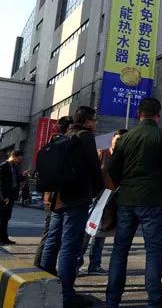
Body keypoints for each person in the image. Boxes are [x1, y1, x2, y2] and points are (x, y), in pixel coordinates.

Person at [105, 98, 162, 308]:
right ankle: (154, 299)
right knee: (153, 250)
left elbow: (113, 167)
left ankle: (112, 299)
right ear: (158, 114)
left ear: (139, 114)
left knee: (120, 249)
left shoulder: (126, 138)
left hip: (126, 198)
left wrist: (123, 184)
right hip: (152, 199)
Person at [39, 106, 104, 308]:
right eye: (94, 120)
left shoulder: (64, 136)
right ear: (87, 120)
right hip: (76, 198)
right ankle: (66, 294)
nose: (95, 123)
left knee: (52, 241)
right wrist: (96, 190)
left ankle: (44, 286)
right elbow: (94, 167)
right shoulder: (86, 136)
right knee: (70, 245)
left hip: (58, 197)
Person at [77, 128, 127, 276]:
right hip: (96, 198)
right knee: (87, 231)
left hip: (111, 200)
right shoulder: (102, 153)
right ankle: (76, 262)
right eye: (117, 139)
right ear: (112, 140)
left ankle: (95, 265)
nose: (119, 143)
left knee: (101, 232)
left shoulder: (123, 158)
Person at [34, 115, 72, 269]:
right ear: (69, 127)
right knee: (52, 234)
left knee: (50, 234)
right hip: (57, 196)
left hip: (50, 194)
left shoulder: (51, 143)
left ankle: (40, 265)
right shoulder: (64, 145)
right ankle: (41, 267)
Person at [0, 150, 25, 245]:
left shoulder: (14, 167)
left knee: (6, 218)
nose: (19, 161)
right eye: (19, 159)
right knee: (2, 218)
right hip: (4, 197)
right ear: (13, 156)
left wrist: (23, 176)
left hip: (11, 196)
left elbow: (16, 181)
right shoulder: (3, 166)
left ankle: (4, 238)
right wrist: (3, 196)